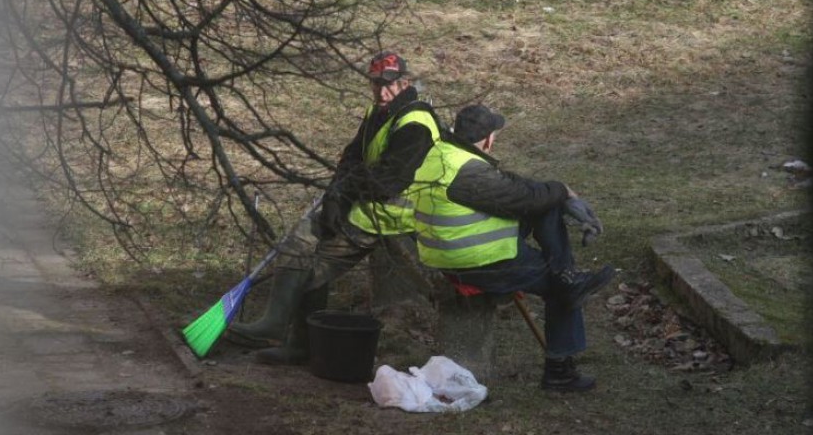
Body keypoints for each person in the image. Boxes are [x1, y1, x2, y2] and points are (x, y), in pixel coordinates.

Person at [229, 52, 443, 364]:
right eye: (375, 84)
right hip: (368, 204)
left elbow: (388, 182)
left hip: (393, 214)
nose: (381, 92)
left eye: (389, 85)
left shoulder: (416, 123)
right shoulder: (379, 111)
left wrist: (344, 195)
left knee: (313, 263)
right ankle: (290, 336)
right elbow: (352, 157)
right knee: (301, 238)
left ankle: (289, 335)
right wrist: (335, 195)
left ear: (405, 82)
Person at [409, 104, 614, 392]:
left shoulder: (444, 155)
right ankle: (560, 370)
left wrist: (558, 193)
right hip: (477, 260)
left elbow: (512, 185)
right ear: (489, 139)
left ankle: (565, 274)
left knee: (547, 208)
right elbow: (524, 198)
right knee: (562, 289)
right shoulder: (467, 172)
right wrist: (563, 191)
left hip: (449, 250)